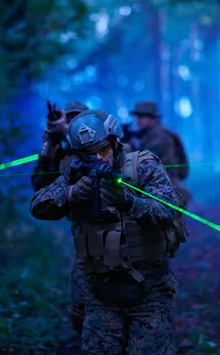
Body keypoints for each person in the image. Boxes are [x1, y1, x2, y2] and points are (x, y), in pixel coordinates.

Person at [29, 109, 188, 354]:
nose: (98, 159)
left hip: (150, 291)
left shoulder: (142, 165)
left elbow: (167, 213)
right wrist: (72, 194)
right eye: (88, 154)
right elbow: (38, 205)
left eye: (103, 150)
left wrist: (128, 201)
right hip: (101, 294)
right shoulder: (76, 172)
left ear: (115, 142)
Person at [30, 100, 90, 335]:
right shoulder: (62, 153)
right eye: (69, 119)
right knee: (79, 308)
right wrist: (48, 149)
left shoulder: (103, 147)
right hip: (82, 236)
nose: (72, 123)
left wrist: (67, 133)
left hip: (117, 229)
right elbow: (40, 188)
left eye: (77, 119)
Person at [128, 100, 192, 207]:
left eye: (142, 117)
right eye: (137, 117)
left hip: (166, 190)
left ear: (152, 118)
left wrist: (130, 145)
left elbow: (143, 159)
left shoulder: (160, 136)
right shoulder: (149, 135)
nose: (138, 121)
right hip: (160, 189)